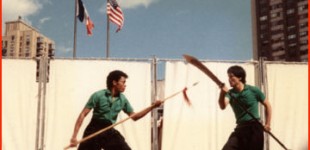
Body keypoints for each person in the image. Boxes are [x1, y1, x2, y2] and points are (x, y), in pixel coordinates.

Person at [69, 70, 162, 150]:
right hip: (94, 129)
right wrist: (74, 137)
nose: (125, 85)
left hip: (108, 129)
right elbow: (83, 114)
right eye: (123, 82)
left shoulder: (123, 99)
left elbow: (135, 117)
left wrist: (152, 107)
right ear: (114, 83)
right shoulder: (98, 95)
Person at [218, 65, 272, 150]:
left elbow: (267, 105)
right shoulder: (230, 93)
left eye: (231, 76)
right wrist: (222, 93)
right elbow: (222, 106)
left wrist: (268, 124)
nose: (229, 79)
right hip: (240, 128)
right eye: (228, 77)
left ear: (240, 77)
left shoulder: (253, 90)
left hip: (254, 128)